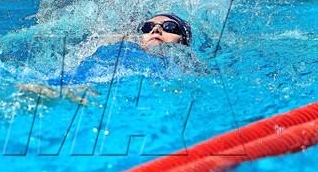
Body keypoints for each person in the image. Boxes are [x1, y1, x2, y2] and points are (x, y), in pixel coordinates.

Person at [18, 13, 193, 104]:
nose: (155, 30)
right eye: (148, 27)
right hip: (78, 83)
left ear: (184, 40)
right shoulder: (123, 48)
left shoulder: (183, 66)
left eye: (169, 26)